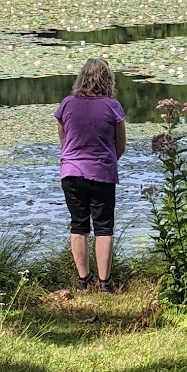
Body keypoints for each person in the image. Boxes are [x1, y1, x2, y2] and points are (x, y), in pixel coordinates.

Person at [55, 56, 127, 287]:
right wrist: (105, 160)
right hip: (101, 173)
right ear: (107, 81)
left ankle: (83, 279)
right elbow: (121, 145)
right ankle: (105, 282)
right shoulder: (112, 106)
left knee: (79, 224)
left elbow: (64, 141)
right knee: (104, 227)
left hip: (71, 173)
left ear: (81, 78)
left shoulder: (67, 104)